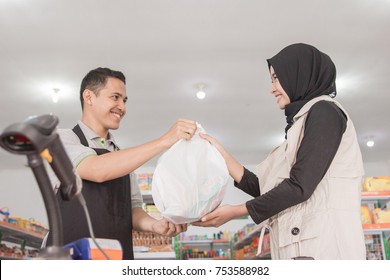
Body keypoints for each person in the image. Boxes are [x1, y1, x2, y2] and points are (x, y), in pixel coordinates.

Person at [193, 43, 366, 260]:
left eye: (276, 78)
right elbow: (269, 191)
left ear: (298, 74)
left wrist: (236, 211)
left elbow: (300, 186)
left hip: (324, 249)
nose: (272, 88)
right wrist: (221, 153)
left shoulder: (324, 112)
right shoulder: (299, 125)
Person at [50, 67, 197, 260]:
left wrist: (155, 225)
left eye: (124, 100)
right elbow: (96, 169)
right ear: (89, 97)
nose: (122, 107)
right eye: (115, 97)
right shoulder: (62, 139)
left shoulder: (120, 156)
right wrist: (164, 141)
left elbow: (133, 208)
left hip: (117, 258)